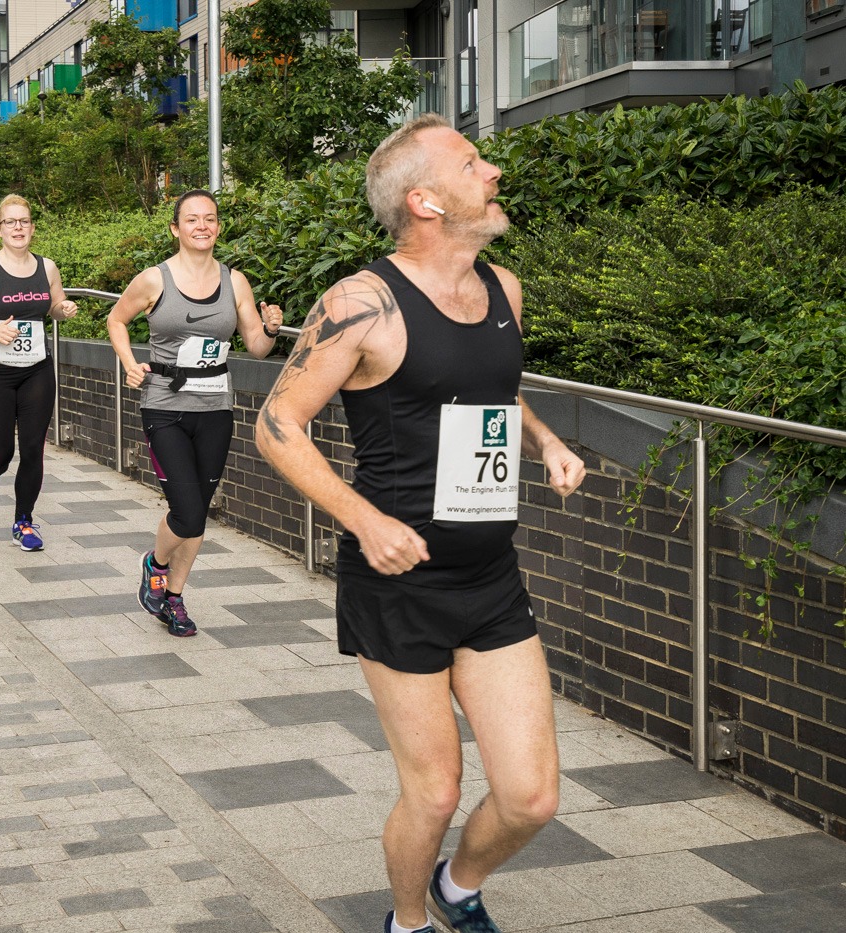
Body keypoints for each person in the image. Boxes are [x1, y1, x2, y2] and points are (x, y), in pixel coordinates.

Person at [255, 115, 587, 933]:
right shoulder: (361, 303)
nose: (494, 171)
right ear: (426, 201)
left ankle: (457, 886)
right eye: (473, 163)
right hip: (397, 581)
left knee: (533, 796)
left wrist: (545, 441)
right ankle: (407, 922)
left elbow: (492, 387)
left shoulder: (503, 287)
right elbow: (277, 423)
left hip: (490, 577)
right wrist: (364, 519)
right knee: (435, 791)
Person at [107, 190, 283, 637]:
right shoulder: (154, 279)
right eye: (191, 219)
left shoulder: (235, 281)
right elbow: (116, 319)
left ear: (218, 227)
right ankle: (155, 564)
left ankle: (174, 599)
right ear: (176, 228)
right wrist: (129, 362)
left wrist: (271, 329)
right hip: (164, 406)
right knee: (186, 512)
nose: (202, 225)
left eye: (209, 218)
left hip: (215, 408)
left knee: (199, 512)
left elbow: (257, 348)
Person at [0, 194, 78, 551]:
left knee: (33, 448)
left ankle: (23, 522)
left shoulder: (47, 267)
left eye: (24, 221)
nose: (18, 228)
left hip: (37, 369)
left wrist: (63, 309)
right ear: (0, 229)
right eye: (11, 222)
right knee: (2, 451)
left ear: (32, 228)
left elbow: (54, 306)